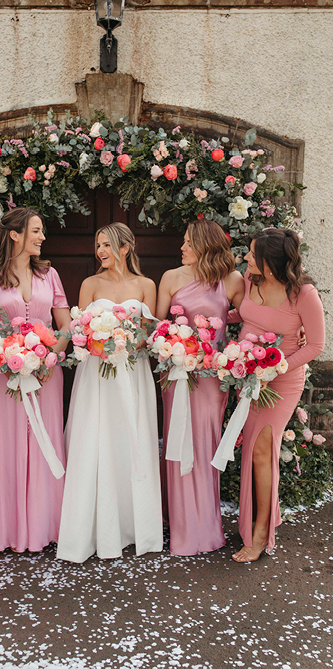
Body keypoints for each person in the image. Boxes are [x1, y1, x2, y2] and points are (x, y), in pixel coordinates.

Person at [56, 222, 162, 563]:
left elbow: (149, 334)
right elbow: (78, 331)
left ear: (125, 247)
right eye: (97, 244)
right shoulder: (90, 284)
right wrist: (99, 340)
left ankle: (134, 526)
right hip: (96, 377)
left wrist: (124, 340)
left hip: (132, 371)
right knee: (95, 438)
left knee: (129, 439)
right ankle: (90, 527)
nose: (100, 251)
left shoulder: (146, 285)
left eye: (106, 245)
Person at [0, 208, 71, 554]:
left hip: (46, 372)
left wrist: (50, 357)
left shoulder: (50, 275)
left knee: (46, 441)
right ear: (15, 235)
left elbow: (66, 324)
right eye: (37, 231)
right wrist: (3, 358)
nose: (42, 237)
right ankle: (13, 532)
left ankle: (48, 526)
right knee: (9, 443)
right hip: (4, 377)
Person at [228, 227, 324, 563]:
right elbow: (245, 314)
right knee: (251, 447)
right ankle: (257, 520)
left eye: (253, 254)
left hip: (281, 382)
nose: (247, 258)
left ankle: (259, 535)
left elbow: (315, 345)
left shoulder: (303, 294)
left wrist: (275, 370)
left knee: (261, 450)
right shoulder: (249, 281)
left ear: (270, 263)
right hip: (249, 376)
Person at [155, 219, 244, 556]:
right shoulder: (171, 278)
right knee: (177, 438)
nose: (182, 247)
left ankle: (204, 526)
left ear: (206, 244)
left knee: (204, 444)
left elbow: (249, 315)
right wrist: (171, 343)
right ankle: (178, 525)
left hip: (211, 377)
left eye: (188, 242)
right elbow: (159, 324)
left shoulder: (232, 280)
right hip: (177, 374)